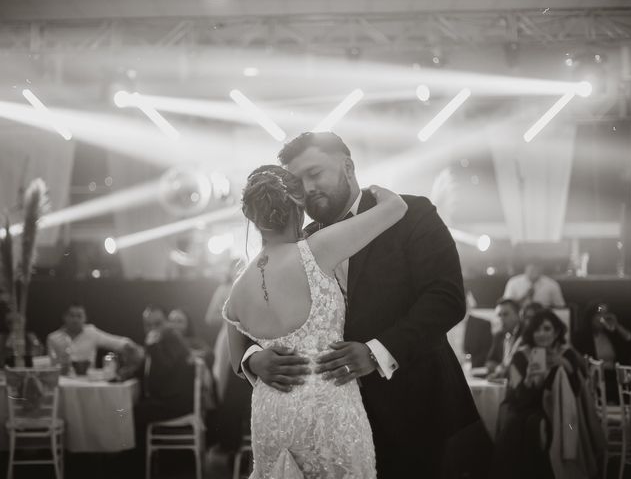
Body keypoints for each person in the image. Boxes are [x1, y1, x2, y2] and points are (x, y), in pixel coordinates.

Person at [233, 132, 479, 477]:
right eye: (297, 181)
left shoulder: (412, 214)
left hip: (415, 409)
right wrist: (253, 359)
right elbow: (245, 312)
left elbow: (446, 298)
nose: (307, 187)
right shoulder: (298, 245)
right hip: (324, 427)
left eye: (315, 173)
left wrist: (377, 352)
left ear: (347, 167)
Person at [224, 164, 406, 477]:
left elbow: (234, 360)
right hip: (328, 410)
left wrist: (253, 362)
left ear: (251, 217)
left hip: (271, 413)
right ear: (300, 207)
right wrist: (372, 190)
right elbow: (396, 208)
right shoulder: (317, 250)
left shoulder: (237, 291)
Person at [493, 309, 587, 479]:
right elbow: (517, 396)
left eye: (547, 328)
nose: (541, 334)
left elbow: (577, 392)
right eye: (536, 329)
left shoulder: (567, 354)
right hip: (524, 405)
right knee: (516, 422)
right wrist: (528, 379)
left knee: (535, 423)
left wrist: (565, 365)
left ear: (557, 331)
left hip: (559, 411)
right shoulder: (520, 356)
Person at [130, 305, 197, 474]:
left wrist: (152, 346)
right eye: (148, 325)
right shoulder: (161, 339)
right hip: (167, 400)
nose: (152, 329)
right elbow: (146, 370)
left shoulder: (171, 337)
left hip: (177, 403)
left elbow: (164, 370)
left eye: (157, 323)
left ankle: (137, 469)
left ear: (167, 323)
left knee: (129, 413)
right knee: (130, 409)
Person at [573, 301, 631, 403]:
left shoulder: (610, 334)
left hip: (614, 376)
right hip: (595, 378)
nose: (603, 318)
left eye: (605, 313)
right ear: (591, 317)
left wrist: (616, 325)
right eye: (599, 314)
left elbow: (629, 339)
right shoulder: (582, 337)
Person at [46, 303, 136, 369]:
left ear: (85, 318)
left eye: (79, 316)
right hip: (63, 381)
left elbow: (115, 342)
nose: (75, 319)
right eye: (72, 315)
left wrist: (130, 346)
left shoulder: (92, 332)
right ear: (64, 317)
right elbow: (51, 364)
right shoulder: (53, 338)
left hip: (88, 382)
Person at [486, 299, 523, 378]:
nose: (501, 319)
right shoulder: (498, 336)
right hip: (503, 380)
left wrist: (504, 370)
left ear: (518, 315)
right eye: (499, 315)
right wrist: (499, 368)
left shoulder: (525, 335)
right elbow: (490, 362)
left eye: (505, 314)